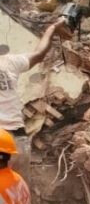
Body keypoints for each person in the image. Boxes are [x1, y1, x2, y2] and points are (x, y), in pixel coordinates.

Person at [1, 20, 70, 176]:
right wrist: (52, 28)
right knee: (18, 190)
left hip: (4, 140)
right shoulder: (9, 62)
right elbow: (40, 54)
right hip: (17, 141)